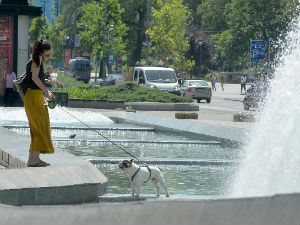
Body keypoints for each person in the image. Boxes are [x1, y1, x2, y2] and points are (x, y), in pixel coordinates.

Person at [24, 38, 54, 167]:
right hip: (33, 97)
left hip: (34, 96)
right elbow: (34, 77)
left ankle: (32, 159)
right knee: (39, 127)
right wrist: (46, 91)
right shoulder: (36, 61)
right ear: (41, 52)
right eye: (47, 54)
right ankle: (35, 159)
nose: (48, 56)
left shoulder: (36, 60)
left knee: (37, 127)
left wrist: (46, 83)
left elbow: (35, 78)